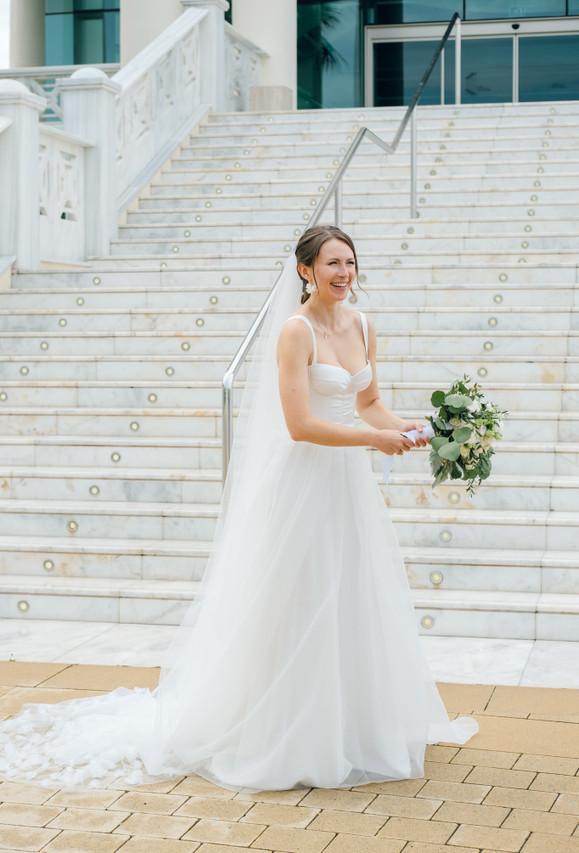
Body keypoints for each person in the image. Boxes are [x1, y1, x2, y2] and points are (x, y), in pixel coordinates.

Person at [0, 225, 478, 794]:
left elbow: (369, 402)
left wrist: (415, 429)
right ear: (305, 270)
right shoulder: (295, 331)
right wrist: (374, 440)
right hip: (304, 480)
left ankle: (349, 728)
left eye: (350, 262)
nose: (344, 273)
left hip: (348, 481)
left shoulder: (364, 325)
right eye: (332, 263)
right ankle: (283, 731)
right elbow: (300, 425)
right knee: (299, 598)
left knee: (351, 590)